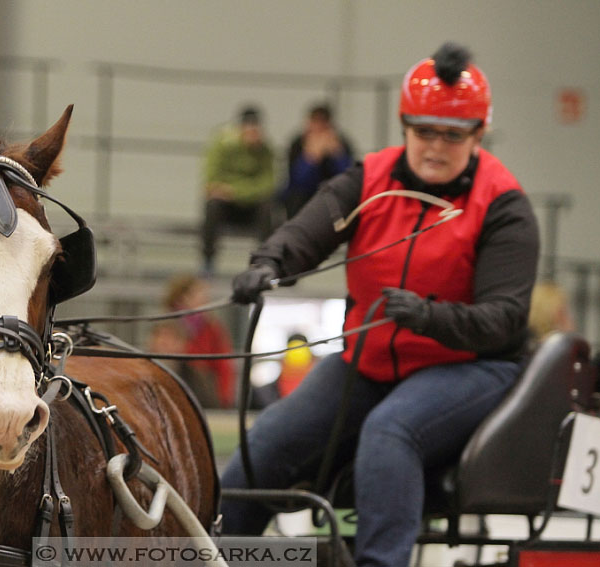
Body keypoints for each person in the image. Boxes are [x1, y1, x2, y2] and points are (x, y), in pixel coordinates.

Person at [220, 42, 539, 567]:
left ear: (478, 135)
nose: (435, 146)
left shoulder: (504, 205)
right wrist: (269, 263)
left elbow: (503, 321)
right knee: (266, 444)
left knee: (391, 431)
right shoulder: (370, 179)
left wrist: (428, 316)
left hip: (472, 367)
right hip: (366, 362)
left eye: (452, 135)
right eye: (423, 131)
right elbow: (309, 230)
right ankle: (224, 555)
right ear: (404, 126)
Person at [201, 105, 276, 275]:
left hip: (251, 207)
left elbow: (268, 186)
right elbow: (211, 182)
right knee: (212, 205)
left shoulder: (265, 151)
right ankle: (208, 260)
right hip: (227, 208)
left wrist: (234, 191)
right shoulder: (221, 145)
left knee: (268, 209)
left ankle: (264, 262)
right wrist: (245, 190)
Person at [162, 274, 236, 408]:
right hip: (169, 387)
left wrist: (224, 397)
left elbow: (224, 365)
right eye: (199, 293)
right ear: (183, 296)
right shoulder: (166, 324)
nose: (205, 298)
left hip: (202, 392)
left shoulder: (212, 327)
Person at [278, 103, 354, 219]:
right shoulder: (298, 144)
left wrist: (337, 155)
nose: (319, 128)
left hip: (331, 194)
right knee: (296, 197)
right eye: (315, 122)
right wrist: (310, 158)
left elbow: (348, 177)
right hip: (304, 196)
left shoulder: (341, 144)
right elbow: (296, 181)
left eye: (323, 123)